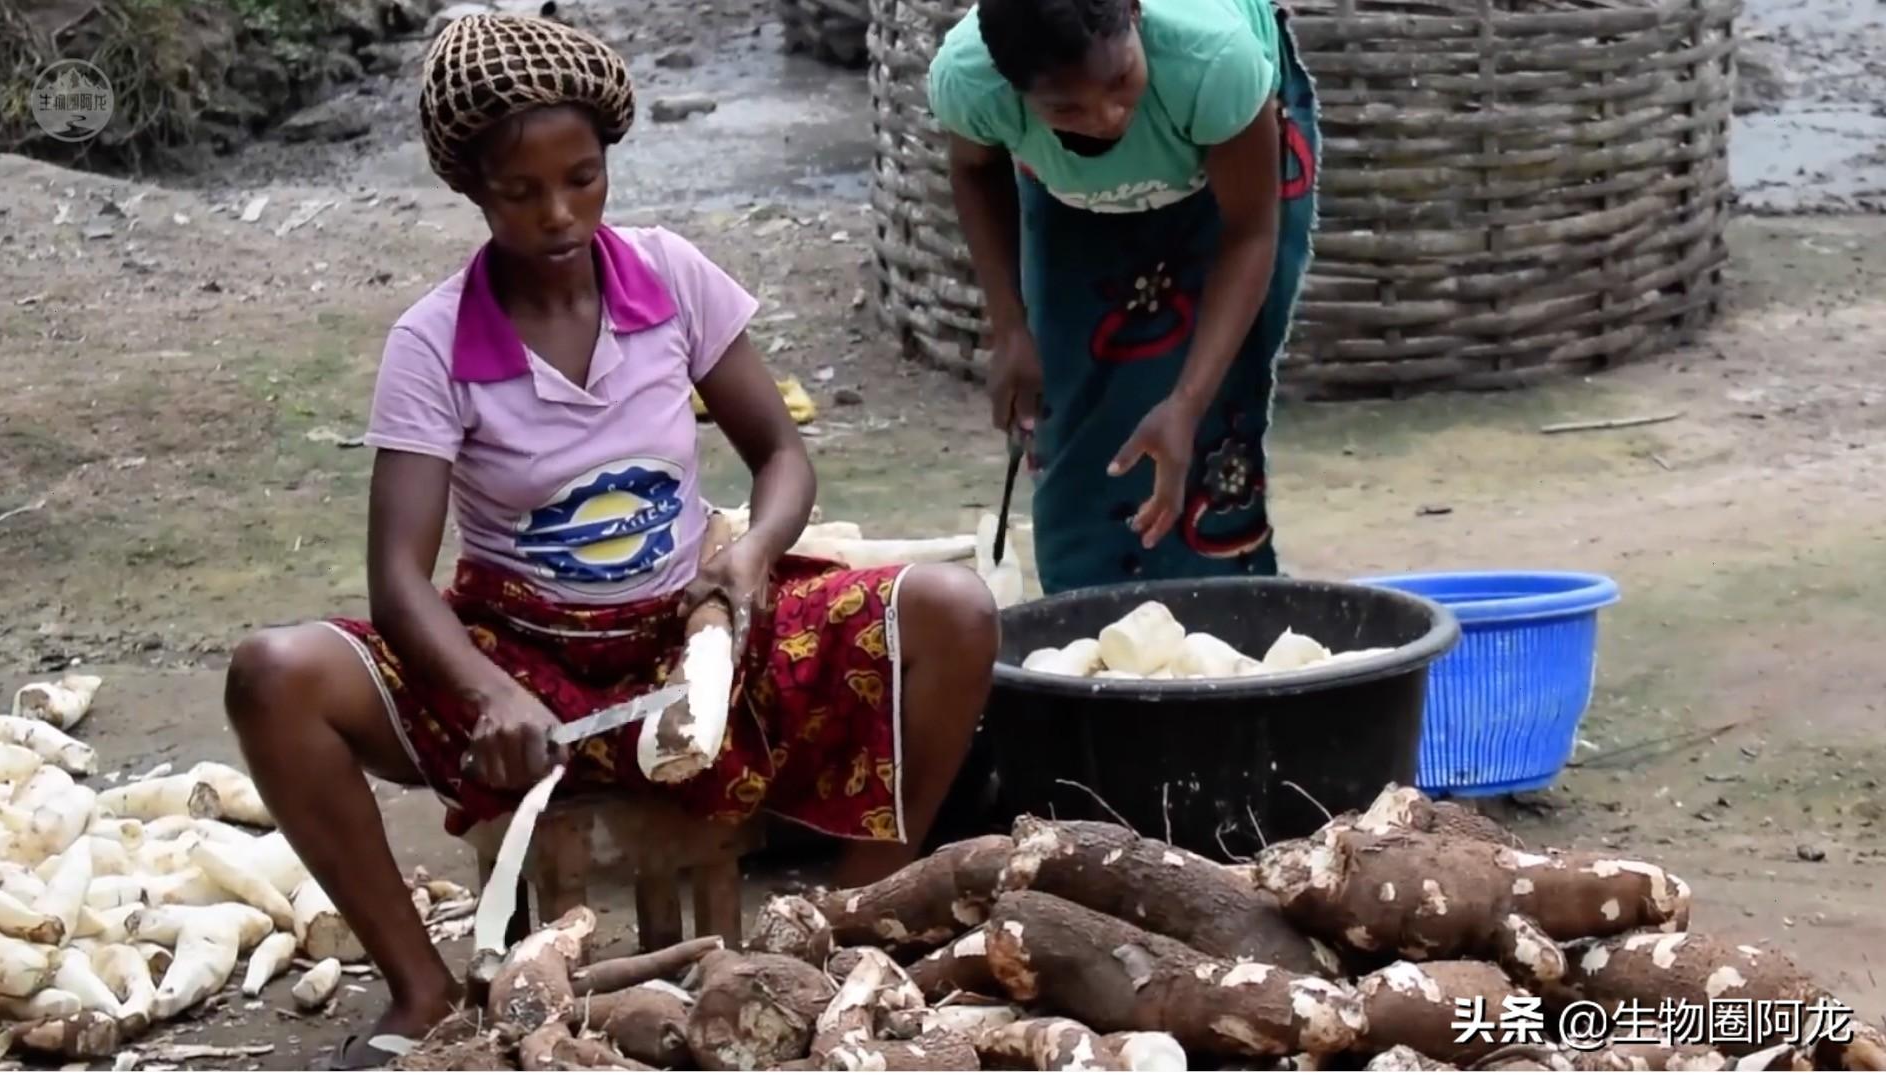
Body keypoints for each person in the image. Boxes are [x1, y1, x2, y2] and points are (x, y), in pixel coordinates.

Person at [221, 13, 998, 1068]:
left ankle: (852, 926)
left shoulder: (671, 278)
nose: (558, 215)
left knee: (953, 612)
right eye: (520, 192)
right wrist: (489, 693)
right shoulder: (434, 343)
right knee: (273, 675)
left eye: (582, 179)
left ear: (608, 158)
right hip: (516, 660)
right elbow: (399, 579)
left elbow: (782, 457)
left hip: (696, 642)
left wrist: (751, 556)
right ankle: (420, 988)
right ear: (469, 187)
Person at [928, 0, 1319, 594]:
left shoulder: (1214, 60)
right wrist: (1010, 327)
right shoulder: (970, 80)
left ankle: (1227, 620)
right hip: (1066, 190)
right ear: (1013, 90)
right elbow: (975, 170)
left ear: (1135, 14)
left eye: (1119, 81)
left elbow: (1249, 233)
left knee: (1214, 409)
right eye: (1065, 107)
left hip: (1229, 162)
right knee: (1070, 409)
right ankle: (1090, 620)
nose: (1107, 115)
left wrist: (1186, 404)